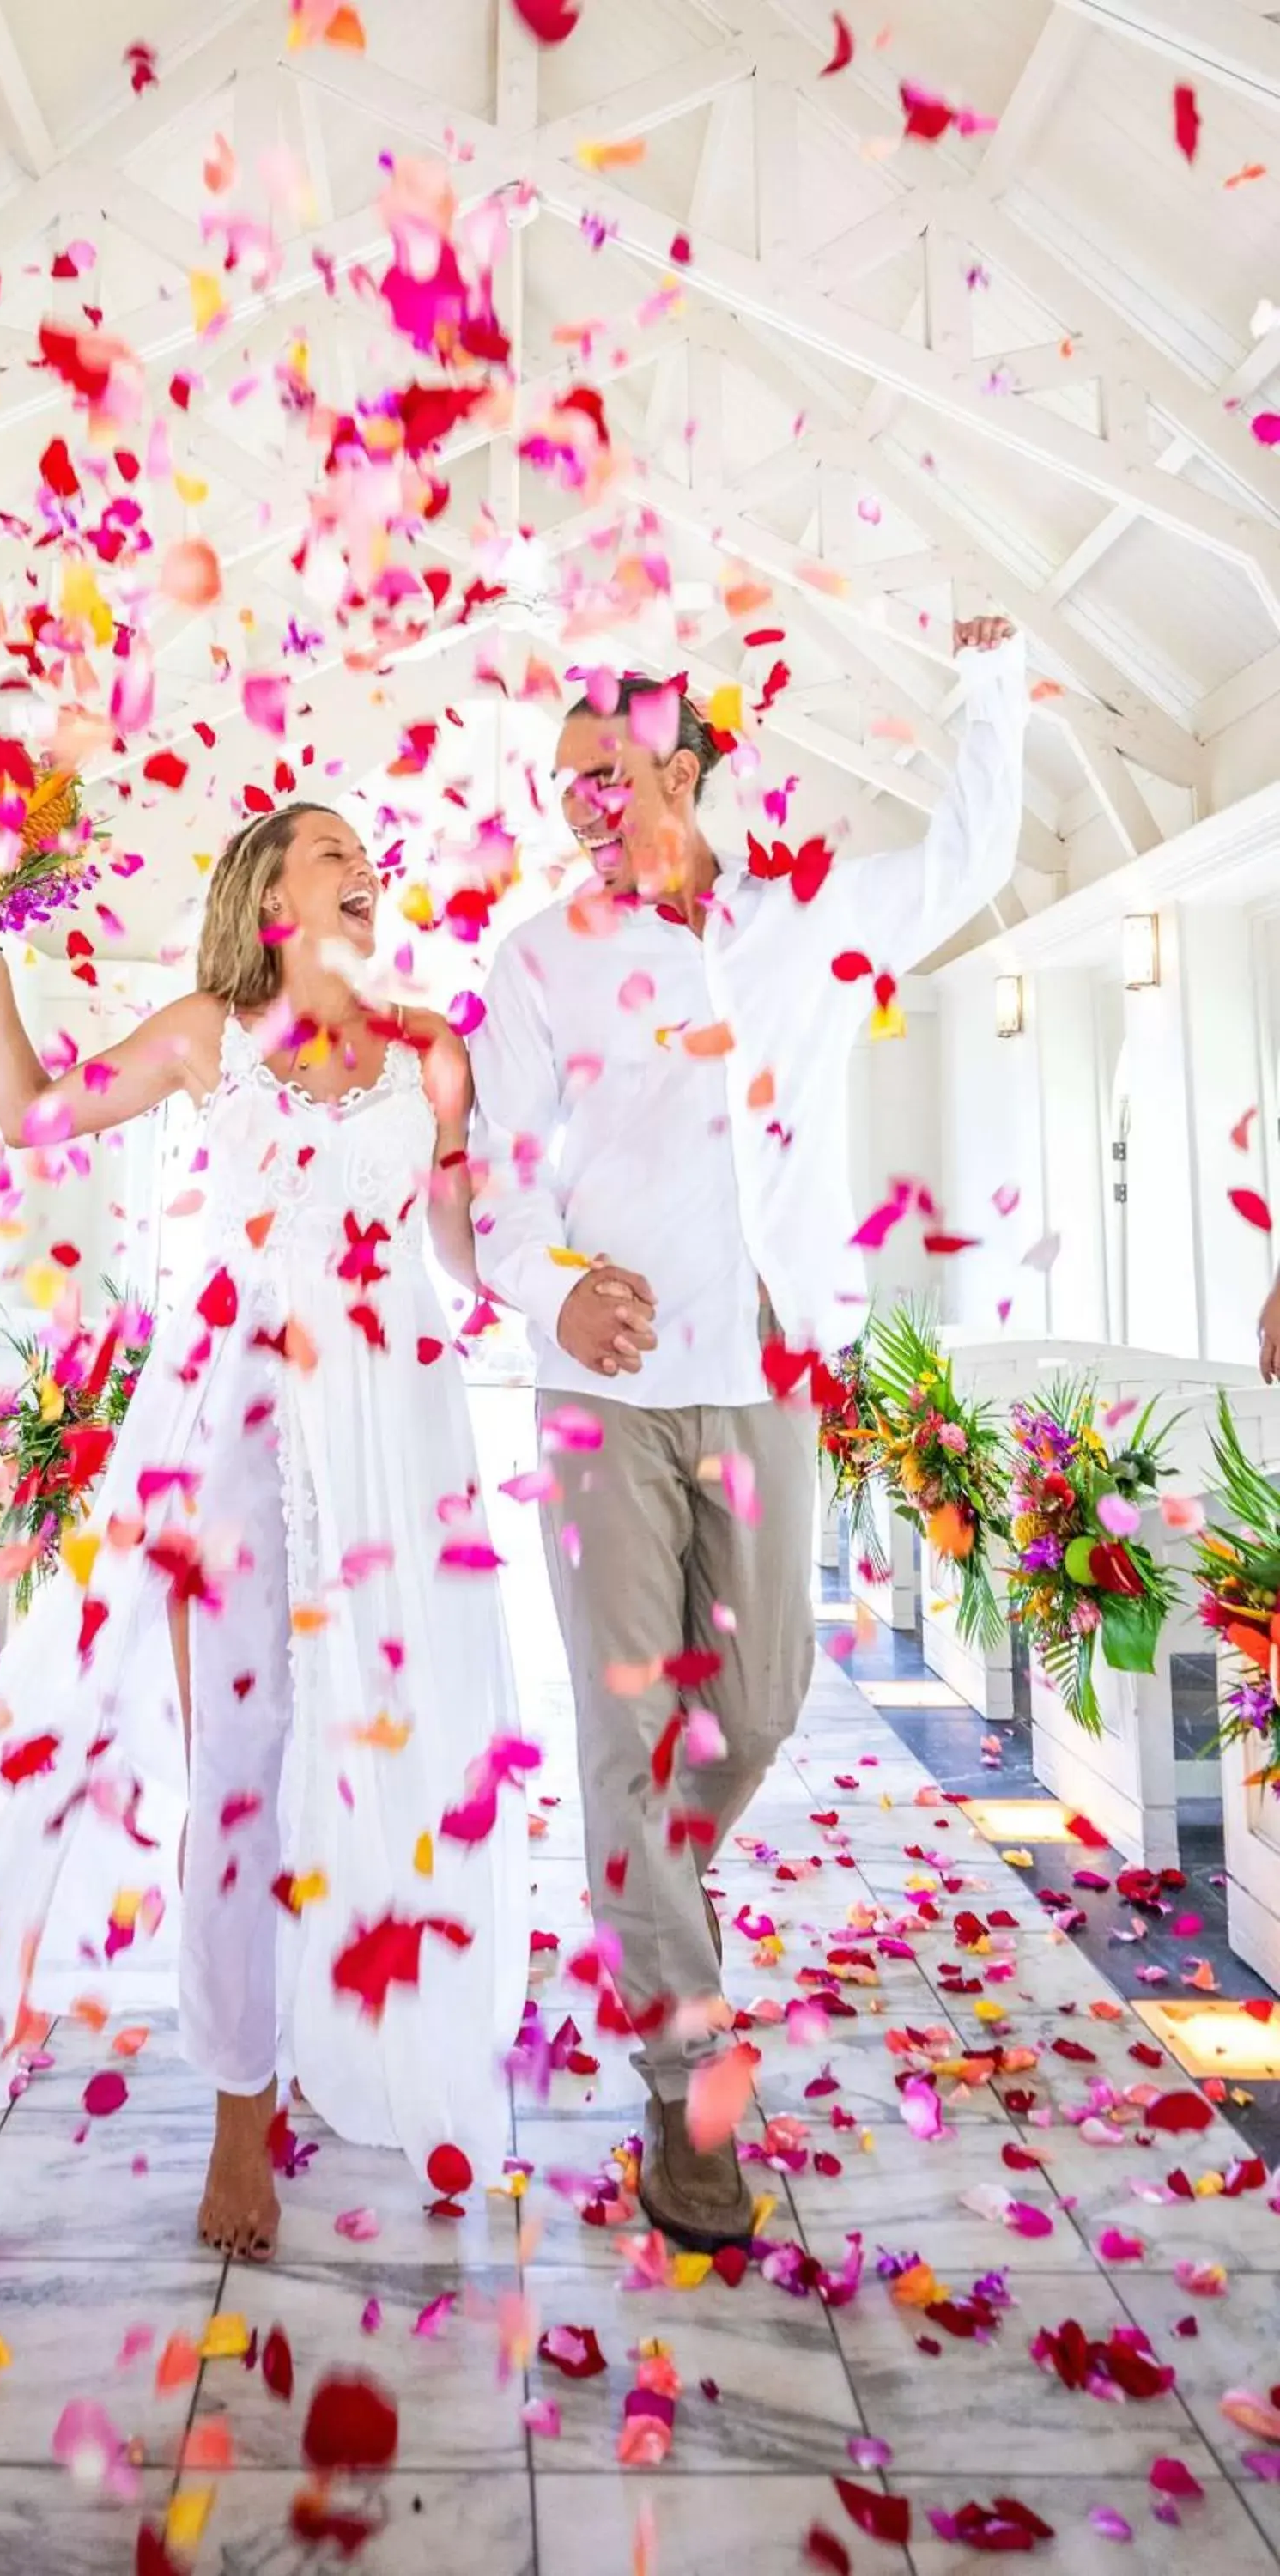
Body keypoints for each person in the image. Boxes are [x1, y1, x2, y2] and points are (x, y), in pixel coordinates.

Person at [0, 803, 530, 2263]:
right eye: (328, 851)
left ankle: (368, 2033)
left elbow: (460, 1246)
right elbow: (32, 1117)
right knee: (244, 1772)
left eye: (362, 855)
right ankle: (240, 2118)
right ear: (266, 889)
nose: (361, 865)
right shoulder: (211, 1029)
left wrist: (556, 1277)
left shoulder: (431, 1051)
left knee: (394, 1747)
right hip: (245, 1422)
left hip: (399, 1430)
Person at [468, 615, 1028, 2249]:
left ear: (693, 765)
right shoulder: (537, 958)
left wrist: (985, 686)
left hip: (768, 1368)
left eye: (610, 772)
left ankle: (648, 1898)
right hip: (601, 1396)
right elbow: (498, 1185)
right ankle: (684, 2088)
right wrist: (548, 1289)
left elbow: (974, 853)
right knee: (628, 1736)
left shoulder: (807, 916)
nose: (579, 803)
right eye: (564, 782)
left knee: (764, 1696)